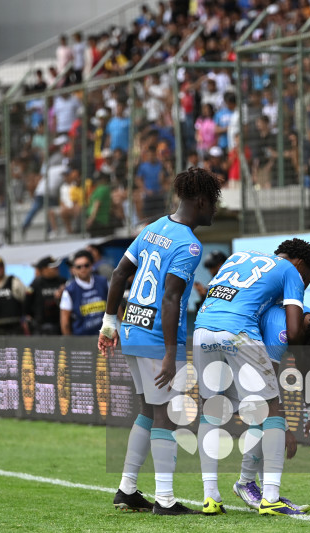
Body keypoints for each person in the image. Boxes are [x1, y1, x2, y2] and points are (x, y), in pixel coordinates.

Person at [97, 167, 222, 516]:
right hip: (155, 336)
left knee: (149, 413)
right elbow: (170, 299)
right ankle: (165, 500)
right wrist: (171, 352)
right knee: (167, 414)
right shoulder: (189, 244)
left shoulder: (152, 228)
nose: (215, 209)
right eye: (213, 202)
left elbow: (120, 273)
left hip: (131, 327)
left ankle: (127, 488)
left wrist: (109, 322)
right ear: (200, 201)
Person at [193, 238, 310, 516]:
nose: (306, 283)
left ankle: (210, 496)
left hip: (202, 328)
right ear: (301, 266)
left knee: (211, 411)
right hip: (237, 330)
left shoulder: (239, 256)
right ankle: (271, 496)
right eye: (309, 277)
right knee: (270, 409)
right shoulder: (290, 272)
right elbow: (295, 332)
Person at [232, 309, 310, 513]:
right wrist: (284, 428)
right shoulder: (281, 332)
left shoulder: (307, 327)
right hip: (233, 344)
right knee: (261, 415)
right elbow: (267, 389)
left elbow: (307, 372)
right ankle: (245, 482)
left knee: (263, 417)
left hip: (251, 353)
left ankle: (267, 493)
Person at [60, 250, 109, 336]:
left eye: (86, 265)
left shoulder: (103, 282)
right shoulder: (69, 290)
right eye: (79, 267)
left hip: (105, 335)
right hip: (82, 339)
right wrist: (68, 344)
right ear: (74, 269)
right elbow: (65, 322)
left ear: (91, 266)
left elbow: (116, 305)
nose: (83, 269)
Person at [25, 256, 66, 335]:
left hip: (59, 325)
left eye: (56, 266)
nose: (56, 268)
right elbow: (27, 305)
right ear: (43, 270)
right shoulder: (35, 284)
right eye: (52, 267)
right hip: (41, 327)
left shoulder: (62, 282)